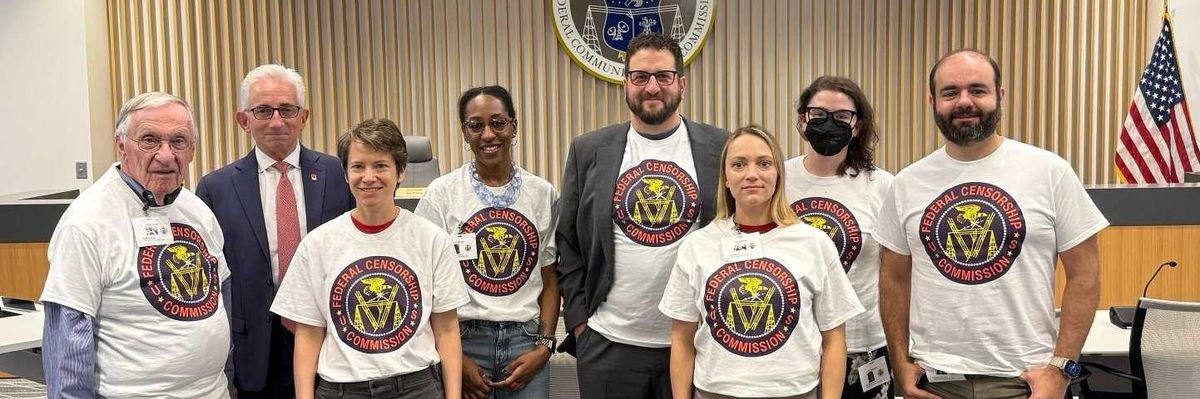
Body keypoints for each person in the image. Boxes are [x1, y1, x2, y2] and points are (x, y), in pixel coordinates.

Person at [876, 49, 1106, 399]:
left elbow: (1085, 275)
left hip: (1024, 380)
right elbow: (893, 278)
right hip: (934, 381)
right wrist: (899, 363)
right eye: (950, 92)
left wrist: (1061, 369)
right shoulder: (907, 183)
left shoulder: (1050, 172)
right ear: (933, 101)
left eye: (977, 90)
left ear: (999, 95)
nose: (964, 101)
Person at [556, 31, 728, 398]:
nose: (652, 87)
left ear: (681, 84)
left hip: (696, 342)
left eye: (663, 76)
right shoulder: (589, 150)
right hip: (608, 344)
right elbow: (567, 240)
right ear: (625, 84)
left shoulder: (721, 147)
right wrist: (580, 324)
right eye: (640, 77)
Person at [41, 92, 231, 398]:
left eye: (178, 141)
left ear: (193, 150)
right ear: (121, 145)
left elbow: (222, 299)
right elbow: (68, 346)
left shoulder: (198, 211)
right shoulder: (86, 223)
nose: (166, 155)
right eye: (150, 140)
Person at [270, 118, 469, 399]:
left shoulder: (432, 240)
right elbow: (308, 334)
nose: (368, 176)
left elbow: (447, 330)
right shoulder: (317, 244)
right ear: (345, 173)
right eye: (358, 166)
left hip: (416, 387)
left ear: (400, 172)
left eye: (380, 166)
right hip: (342, 388)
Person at [659, 126, 864, 399]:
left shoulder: (814, 244)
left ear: (778, 173)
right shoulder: (697, 246)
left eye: (764, 163)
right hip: (714, 392)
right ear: (726, 178)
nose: (751, 174)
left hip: (795, 392)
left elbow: (835, 339)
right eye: (739, 164)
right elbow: (682, 340)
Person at [196, 63, 353, 398]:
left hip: (328, 338)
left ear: (304, 116)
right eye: (264, 110)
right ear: (244, 120)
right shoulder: (215, 188)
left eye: (287, 109)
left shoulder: (339, 175)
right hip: (253, 349)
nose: (277, 121)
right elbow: (210, 282)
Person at [414, 85, 560, 399]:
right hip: (463, 339)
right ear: (464, 132)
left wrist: (545, 347)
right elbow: (423, 282)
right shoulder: (442, 194)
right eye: (476, 125)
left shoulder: (542, 194)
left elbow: (551, 278)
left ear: (514, 126)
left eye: (498, 122)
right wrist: (452, 355)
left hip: (525, 339)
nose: (488, 134)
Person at [784, 76, 895, 398]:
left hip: (863, 346)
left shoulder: (883, 186)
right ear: (803, 120)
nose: (829, 124)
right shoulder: (779, 178)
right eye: (818, 115)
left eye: (842, 116)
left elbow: (899, 272)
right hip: (794, 343)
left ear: (857, 125)